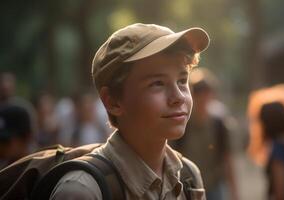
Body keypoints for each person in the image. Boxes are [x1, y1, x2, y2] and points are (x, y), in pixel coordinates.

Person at [49, 23, 210, 199]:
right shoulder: (82, 190)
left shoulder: (188, 177)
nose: (178, 97)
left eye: (182, 80)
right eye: (158, 83)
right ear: (113, 101)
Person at [171, 67, 238, 200]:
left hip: (214, 186)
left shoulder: (219, 123)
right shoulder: (182, 123)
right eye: (199, 94)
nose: (204, 100)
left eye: (207, 94)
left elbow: (227, 159)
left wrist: (234, 192)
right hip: (188, 186)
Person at [0, 104, 32, 169]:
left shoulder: (41, 171)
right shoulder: (4, 170)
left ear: (26, 137)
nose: (1, 146)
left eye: (5, 141)